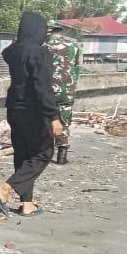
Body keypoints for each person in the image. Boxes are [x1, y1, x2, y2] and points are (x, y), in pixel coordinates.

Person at [0, 12, 64, 217]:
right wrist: (54, 116)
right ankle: (5, 188)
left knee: (23, 154)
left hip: (15, 108)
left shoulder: (13, 52)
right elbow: (43, 88)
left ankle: (27, 204)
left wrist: (19, 40)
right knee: (43, 153)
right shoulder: (40, 53)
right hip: (35, 110)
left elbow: (7, 50)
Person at [46, 21, 82, 165]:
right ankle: (62, 154)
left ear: (48, 30)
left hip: (47, 90)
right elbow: (77, 69)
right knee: (64, 121)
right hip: (67, 90)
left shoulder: (43, 47)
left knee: (45, 119)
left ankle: (44, 153)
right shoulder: (74, 46)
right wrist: (71, 85)